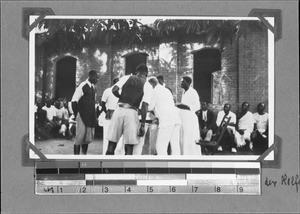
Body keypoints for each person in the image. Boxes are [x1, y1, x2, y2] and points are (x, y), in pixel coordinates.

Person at [106, 63, 152, 155]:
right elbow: (144, 105)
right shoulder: (147, 85)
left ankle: (106, 168)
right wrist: (142, 124)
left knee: (111, 144)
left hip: (119, 110)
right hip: (132, 112)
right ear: (146, 74)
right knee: (129, 146)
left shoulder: (127, 77)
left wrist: (121, 97)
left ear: (136, 72)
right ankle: (126, 168)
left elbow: (114, 89)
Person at [148, 76, 181, 155]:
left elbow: (149, 107)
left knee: (160, 146)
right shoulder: (166, 90)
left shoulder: (154, 91)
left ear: (151, 84)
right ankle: (178, 166)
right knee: (175, 146)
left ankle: (162, 166)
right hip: (176, 120)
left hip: (166, 122)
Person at [71, 70, 99, 155]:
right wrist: (77, 114)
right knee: (79, 138)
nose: (97, 79)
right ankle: (76, 159)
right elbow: (74, 101)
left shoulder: (93, 87)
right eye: (96, 77)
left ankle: (83, 157)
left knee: (87, 139)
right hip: (82, 116)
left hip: (90, 117)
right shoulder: (83, 85)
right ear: (91, 76)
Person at [177, 76, 201, 155]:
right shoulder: (183, 92)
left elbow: (197, 106)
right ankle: (184, 154)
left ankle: (191, 155)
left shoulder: (193, 92)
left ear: (188, 83)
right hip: (183, 118)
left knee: (189, 136)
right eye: (181, 81)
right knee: (183, 136)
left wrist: (184, 106)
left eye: (183, 82)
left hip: (190, 119)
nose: (181, 83)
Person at [98, 77, 120, 154]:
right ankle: (105, 153)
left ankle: (117, 154)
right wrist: (106, 111)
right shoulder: (107, 91)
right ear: (113, 83)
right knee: (107, 135)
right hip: (109, 116)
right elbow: (102, 103)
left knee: (118, 137)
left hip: (119, 115)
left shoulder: (121, 92)